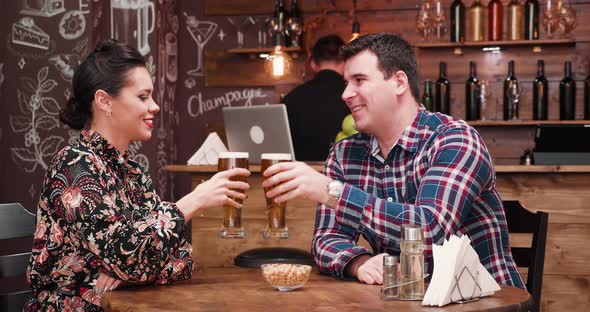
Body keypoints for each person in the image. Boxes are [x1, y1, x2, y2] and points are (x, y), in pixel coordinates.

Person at [262, 33, 525, 289]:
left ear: (399, 82)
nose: (345, 94)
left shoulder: (455, 140)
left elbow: (429, 231)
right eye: (346, 82)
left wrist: (330, 192)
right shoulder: (345, 154)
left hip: (485, 301)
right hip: (401, 300)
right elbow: (326, 240)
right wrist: (359, 262)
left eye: (359, 80)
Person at [26, 39, 250, 311]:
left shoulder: (132, 172)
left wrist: (129, 274)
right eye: (143, 97)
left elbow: (181, 257)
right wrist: (194, 201)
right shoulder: (75, 166)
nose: (154, 106)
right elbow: (134, 259)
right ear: (104, 101)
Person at [283, 34, 350, 161]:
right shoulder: (353, 96)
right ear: (344, 62)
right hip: (344, 175)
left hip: (299, 176)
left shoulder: (292, 98)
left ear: (313, 64)